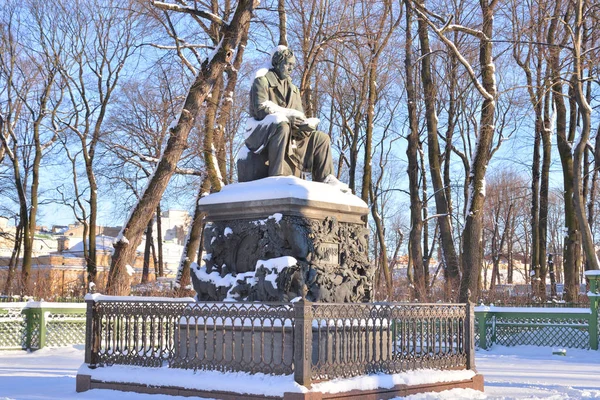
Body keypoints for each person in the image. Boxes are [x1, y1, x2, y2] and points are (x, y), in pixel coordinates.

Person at [243, 46, 347, 190]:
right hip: (262, 131)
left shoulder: (294, 89)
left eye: (293, 65)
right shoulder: (262, 80)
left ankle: (326, 180)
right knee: (282, 125)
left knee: (321, 138)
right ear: (277, 62)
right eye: (288, 64)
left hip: (291, 132)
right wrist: (288, 117)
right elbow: (260, 109)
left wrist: (304, 126)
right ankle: (277, 176)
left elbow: (298, 115)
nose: (291, 69)